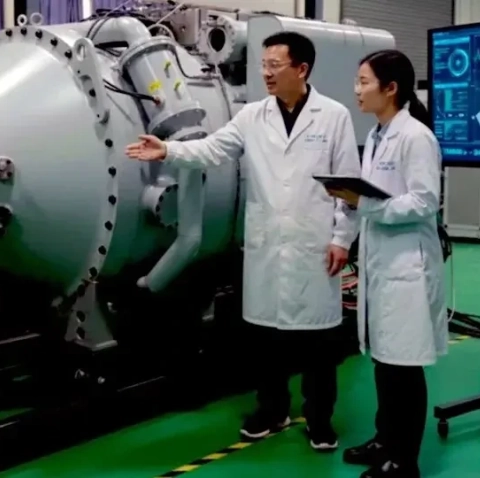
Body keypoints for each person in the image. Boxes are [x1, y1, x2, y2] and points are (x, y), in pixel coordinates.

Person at [125, 31, 361, 450]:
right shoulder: (253, 115)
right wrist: (168, 151)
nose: (266, 73)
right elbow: (212, 149)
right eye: (263, 65)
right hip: (268, 245)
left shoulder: (333, 116)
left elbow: (349, 186)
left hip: (314, 245)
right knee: (266, 341)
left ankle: (319, 420)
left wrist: (343, 238)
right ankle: (272, 410)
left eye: (275, 66)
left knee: (318, 345)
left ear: (301, 69)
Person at [324, 49, 447, 478]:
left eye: (364, 82)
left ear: (390, 88)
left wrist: (366, 204)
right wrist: (350, 211)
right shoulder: (378, 135)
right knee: (383, 358)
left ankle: (404, 460)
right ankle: (384, 439)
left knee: (403, 365)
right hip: (382, 263)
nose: (356, 90)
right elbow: (373, 197)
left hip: (407, 267)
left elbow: (425, 201)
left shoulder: (416, 137)